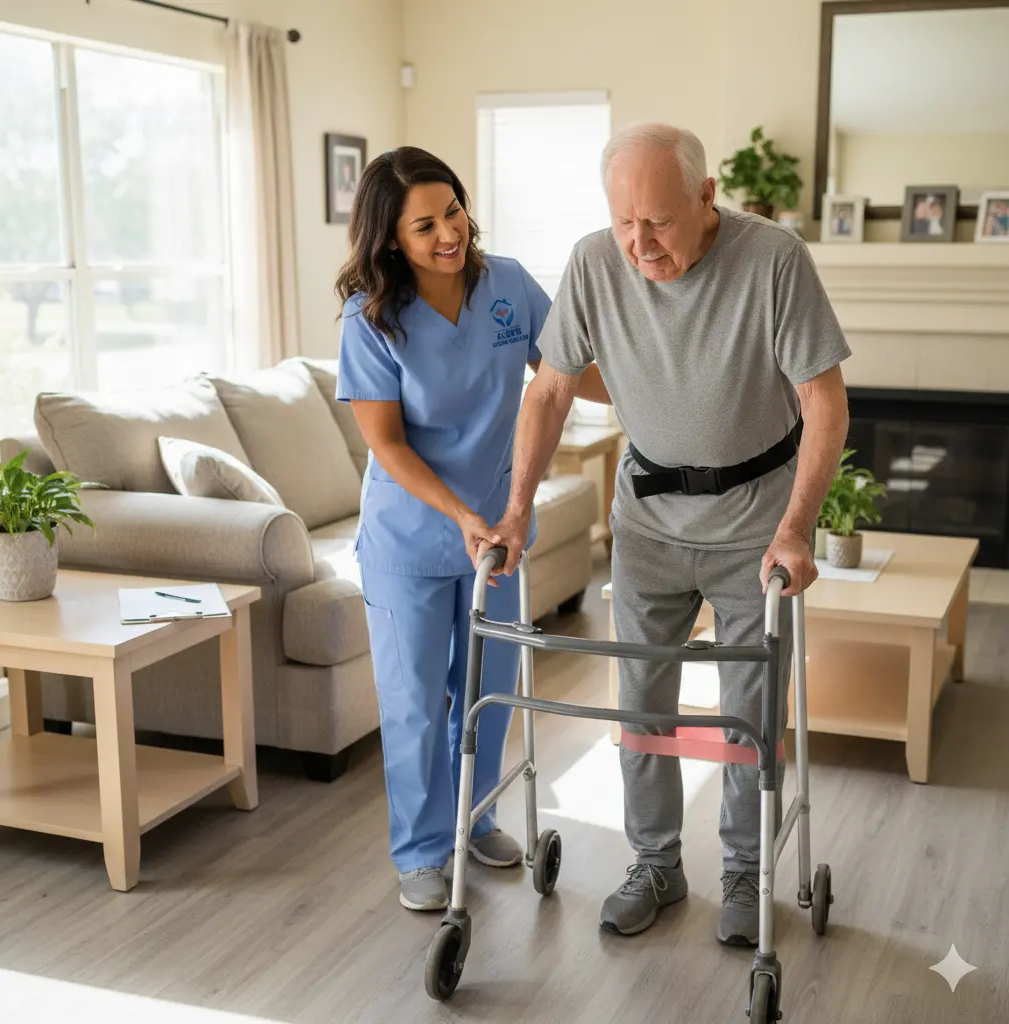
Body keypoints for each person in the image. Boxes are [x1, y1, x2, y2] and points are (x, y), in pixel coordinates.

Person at [480, 123, 851, 946]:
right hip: (647, 519)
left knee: (747, 712)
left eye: (658, 222)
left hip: (757, 518)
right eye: (623, 223)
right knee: (642, 703)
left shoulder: (774, 261)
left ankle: (745, 876)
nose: (639, 244)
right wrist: (515, 510)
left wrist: (796, 529)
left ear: (707, 198)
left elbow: (825, 402)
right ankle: (655, 865)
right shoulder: (592, 262)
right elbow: (549, 393)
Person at [334, 146, 606, 912]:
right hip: (412, 540)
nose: (449, 233)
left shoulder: (509, 285)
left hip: (496, 536)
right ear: (391, 238)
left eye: (452, 210)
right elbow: (386, 443)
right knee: (418, 703)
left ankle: (475, 819)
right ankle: (422, 853)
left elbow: (571, 373)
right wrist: (461, 516)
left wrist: (653, 380)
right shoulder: (372, 318)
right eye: (425, 226)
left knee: (487, 688)